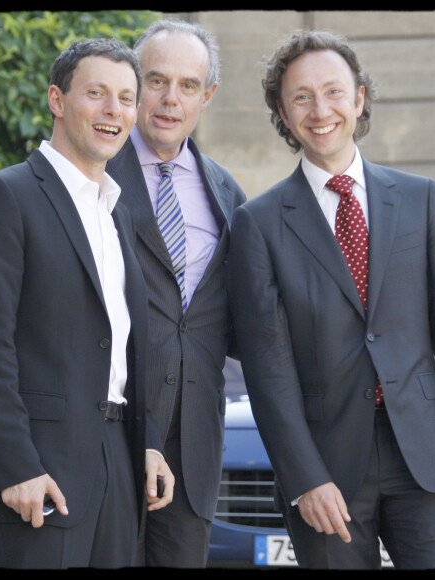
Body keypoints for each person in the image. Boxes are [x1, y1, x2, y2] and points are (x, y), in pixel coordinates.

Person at [227, 29, 435, 570]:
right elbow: (266, 367)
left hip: (427, 456)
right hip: (327, 467)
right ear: (281, 111)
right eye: (301, 96)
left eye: (333, 91)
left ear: (359, 99)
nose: (319, 109)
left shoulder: (420, 199)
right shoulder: (257, 223)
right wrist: (304, 478)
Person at [0, 37, 174, 569]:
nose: (113, 111)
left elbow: (121, 344)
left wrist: (146, 444)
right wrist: (15, 466)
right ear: (56, 99)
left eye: (125, 98)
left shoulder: (117, 212)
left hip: (119, 464)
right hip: (37, 473)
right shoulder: (5, 196)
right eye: (96, 93)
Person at [106, 19, 246, 568]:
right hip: (111, 430)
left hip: (193, 444)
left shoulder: (226, 190)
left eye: (188, 85)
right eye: (156, 80)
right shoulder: (96, 172)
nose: (170, 99)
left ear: (206, 96)